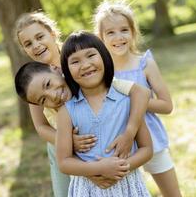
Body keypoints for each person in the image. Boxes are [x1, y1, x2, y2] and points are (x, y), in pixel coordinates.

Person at [14, 11, 151, 196]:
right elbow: (40, 126)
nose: (36, 45)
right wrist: (70, 142)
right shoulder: (33, 81)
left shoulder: (80, 61)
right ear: (24, 49)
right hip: (61, 141)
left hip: (101, 133)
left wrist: (129, 131)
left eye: (39, 37)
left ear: (52, 34)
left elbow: (136, 93)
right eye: (28, 44)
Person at [93, 0, 182, 196]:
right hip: (117, 142)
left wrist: (136, 99)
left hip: (152, 138)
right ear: (101, 37)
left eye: (124, 30)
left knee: (173, 194)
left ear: (133, 32)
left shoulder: (144, 63)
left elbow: (167, 105)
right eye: (110, 32)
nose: (119, 37)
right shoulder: (100, 69)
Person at [57, 31, 152, 196]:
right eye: (75, 61)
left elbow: (147, 149)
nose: (85, 65)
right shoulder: (66, 111)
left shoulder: (127, 101)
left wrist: (120, 169)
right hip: (88, 189)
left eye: (90, 55)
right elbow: (64, 162)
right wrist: (98, 169)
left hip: (126, 184)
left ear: (104, 57)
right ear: (67, 70)